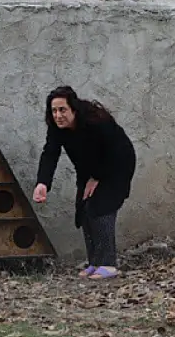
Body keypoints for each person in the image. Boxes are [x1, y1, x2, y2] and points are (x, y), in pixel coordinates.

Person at [32, 86, 136, 280]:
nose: (58, 115)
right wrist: (43, 183)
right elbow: (50, 153)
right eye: (54, 111)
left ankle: (108, 263)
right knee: (84, 209)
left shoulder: (95, 122)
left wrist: (98, 177)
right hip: (89, 170)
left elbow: (115, 151)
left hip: (117, 165)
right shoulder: (57, 128)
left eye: (62, 109)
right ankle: (95, 262)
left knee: (101, 207)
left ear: (73, 109)